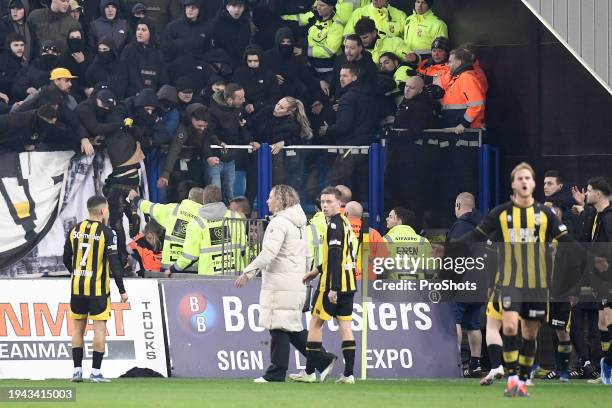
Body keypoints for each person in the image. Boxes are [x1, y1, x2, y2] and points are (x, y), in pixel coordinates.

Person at [458, 162, 594, 397]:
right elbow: (477, 235)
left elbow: (566, 240)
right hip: (510, 283)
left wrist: (591, 257)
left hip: (537, 286)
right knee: (509, 327)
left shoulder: (545, 214)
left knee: (529, 334)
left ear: (531, 184)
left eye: (528, 178)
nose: (524, 182)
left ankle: (522, 376)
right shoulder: (500, 213)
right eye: (519, 178)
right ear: (513, 184)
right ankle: (513, 378)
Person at [235, 185, 337, 382]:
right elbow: (308, 254)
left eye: (270, 197)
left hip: (280, 283)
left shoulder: (279, 223)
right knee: (290, 327)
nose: (267, 201)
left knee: (279, 326)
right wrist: (305, 277)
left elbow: (268, 253)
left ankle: (276, 372)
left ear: (280, 200)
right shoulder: (300, 224)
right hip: (295, 282)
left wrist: (248, 272)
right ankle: (323, 360)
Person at [292, 186, 357, 384]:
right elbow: (341, 255)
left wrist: (333, 288)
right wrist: (317, 270)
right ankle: (348, 375)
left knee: (315, 324)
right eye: (323, 202)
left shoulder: (334, 225)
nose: (325, 206)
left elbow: (336, 256)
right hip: (349, 283)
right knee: (345, 326)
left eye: (329, 202)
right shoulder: (345, 223)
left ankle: (310, 372)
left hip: (332, 284)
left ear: (340, 204)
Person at [63, 195, 129, 383]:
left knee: (78, 329)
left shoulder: (74, 230)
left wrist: (75, 273)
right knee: (99, 329)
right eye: (107, 209)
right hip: (98, 290)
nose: (107, 212)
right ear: (101, 211)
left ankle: (76, 371)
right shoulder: (108, 233)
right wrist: (122, 290)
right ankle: (95, 373)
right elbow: (115, 264)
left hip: (77, 288)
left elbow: (66, 258)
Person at [320, 64, 376, 202]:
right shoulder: (368, 95)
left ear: (355, 77)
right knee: (361, 186)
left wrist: (327, 130)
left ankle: (336, 216)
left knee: (337, 185)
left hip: (349, 148)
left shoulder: (348, 98)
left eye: (345, 76)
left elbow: (344, 126)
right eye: (340, 76)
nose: (341, 79)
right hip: (365, 147)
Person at [447, 192, 484, 377]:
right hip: (480, 282)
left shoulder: (460, 227)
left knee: (456, 322)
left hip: (461, 282)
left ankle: (456, 363)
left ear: (458, 206)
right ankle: (476, 364)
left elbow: (454, 255)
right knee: (474, 325)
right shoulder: (484, 227)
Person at [129, 186, 204, 274]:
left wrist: (136, 199)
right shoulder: (205, 218)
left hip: (168, 268)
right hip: (193, 269)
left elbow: (150, 208)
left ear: (188, 197)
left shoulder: (173, 209)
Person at [168, 185, 241, 275]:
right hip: (235, 277)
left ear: (203, 200)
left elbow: (190, 256)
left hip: (208, 279)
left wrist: (173, 269)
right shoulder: (235, 217)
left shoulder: (196, 223)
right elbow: (244, 248)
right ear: (220, 198)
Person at [580, 177, 612, 384]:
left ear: (599, 194)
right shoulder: (597, 216)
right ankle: (607, 372)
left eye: (589, 190)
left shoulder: (608, 218)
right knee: (603, 322)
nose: (586, 194)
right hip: (602, 280)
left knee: (608, 321)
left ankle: (607, 365)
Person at [207, 82, 258, 201]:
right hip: (215, 157)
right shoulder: (212, 111)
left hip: (230, 157)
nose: (244, 100)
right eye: (240, 98)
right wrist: (219, 143)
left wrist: (250, 141)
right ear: (229, 100)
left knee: (229, 190)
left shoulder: (238, 109)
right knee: (216, 190)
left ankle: (229, 215)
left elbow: (241, 127)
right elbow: (208, 133)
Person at [249, 96, 312, 185]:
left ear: (289, 112)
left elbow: (298, 139)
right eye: (278, 104)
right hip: (259, 155)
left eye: (281, 108)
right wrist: (252, 140)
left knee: (278, 182)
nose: (277, 108)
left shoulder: (293, 123)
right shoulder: (267, 111)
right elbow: (252, 125)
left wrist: (284, 142)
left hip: (280, 160)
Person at [437, 48, 486, 133]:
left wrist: (464, 124)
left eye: (450, 61)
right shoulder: (459, 78)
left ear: (459, 62)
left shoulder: (467, 78)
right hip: (457, 129)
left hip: (465, 130)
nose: (448, 65)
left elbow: (477, 105)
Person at [121, 16, 168, 96]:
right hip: (133, 95)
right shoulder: (129, 50)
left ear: (151, 32)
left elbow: (163, 78)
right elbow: (129, 75)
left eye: (144, 30)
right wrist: (141, 94)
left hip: (154, 96)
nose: (139, 32)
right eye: (138, 29)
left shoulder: (158, 52)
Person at [383, 207, 432, 280]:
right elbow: (431, 269)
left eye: (390, 217)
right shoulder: (423, 241)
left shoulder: (385, 240)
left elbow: (379, 268)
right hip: (418, 288)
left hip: (393, 288)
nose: (387, 219)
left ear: (400, 220)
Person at [231, 45, 277, 116]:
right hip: (241, 109)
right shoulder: (239, 73)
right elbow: (233, 92)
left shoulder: (269, 75)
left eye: (256, 61)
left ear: (260, 60)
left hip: (263, 111)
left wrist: (256, 106)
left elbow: (274, 97)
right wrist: (245, 105)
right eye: (249, 61)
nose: (252, 64)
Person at [211, 0, 251, 68]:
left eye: (240, 6)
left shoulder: (245, 23)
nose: (237, 10)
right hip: (223, 64)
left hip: (242, 64)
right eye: (234, 6)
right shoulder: (217, 24)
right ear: (227, 7)